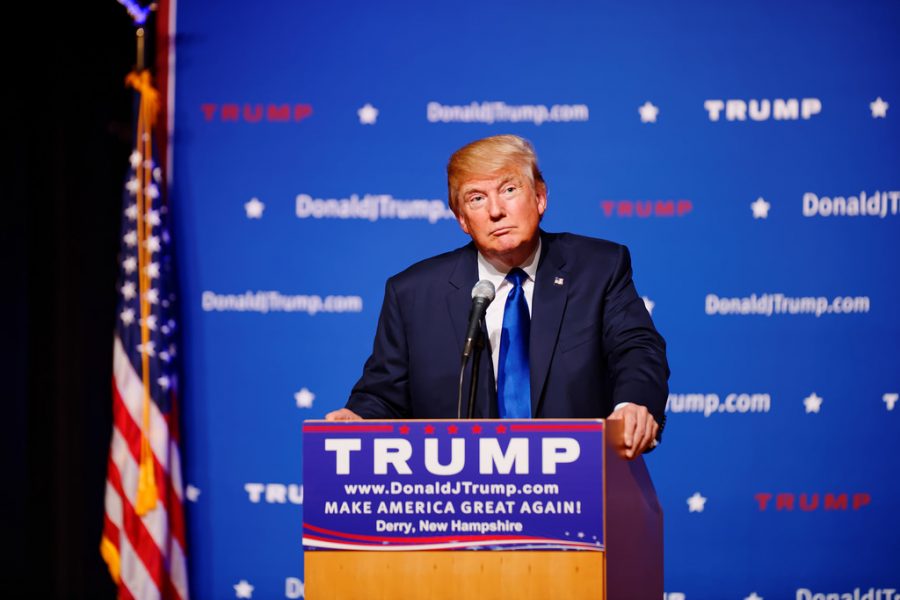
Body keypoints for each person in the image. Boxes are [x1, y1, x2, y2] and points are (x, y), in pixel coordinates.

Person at [326, 134, 669, 457]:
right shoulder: (413, 293)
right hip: (462, 495)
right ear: (462, 218)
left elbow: (636, 349)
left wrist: (632, 406)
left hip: (578, 484)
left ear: (539, 197)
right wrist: (358, 420)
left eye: (508, 189)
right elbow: (384, 395)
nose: (495, 211)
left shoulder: (598, 268)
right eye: (476, 198)